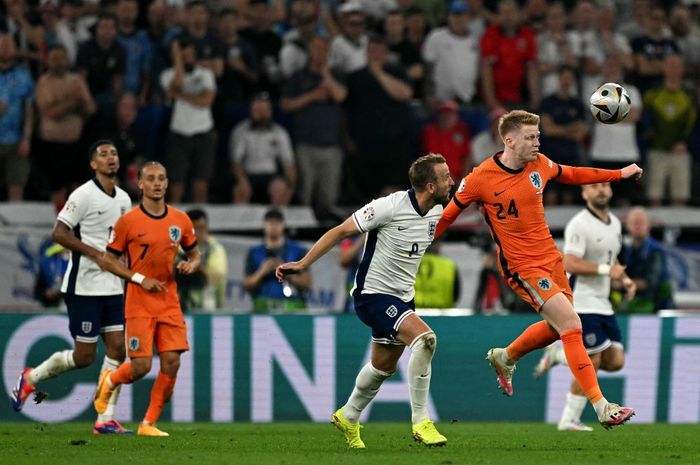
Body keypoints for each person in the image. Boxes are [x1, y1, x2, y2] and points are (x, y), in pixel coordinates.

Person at [435, 110, 641, 429]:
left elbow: (572, 173)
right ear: (510, 140)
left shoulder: (540, 164)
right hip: (522, 267)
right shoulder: (480, 178)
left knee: (559, 327)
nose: (537, 142)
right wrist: (419, 244)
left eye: (538, 136)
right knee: (572, 324)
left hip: (551, 259)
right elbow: (448, 216)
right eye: (531, 137)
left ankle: (506, 356)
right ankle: (602, 407)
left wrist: (617, 174)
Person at [276, 154, 454, 448]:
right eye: (446, 176)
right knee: (426, 340)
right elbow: (341, 230)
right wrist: (304, 263)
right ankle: (421, 421)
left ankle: (349, 415)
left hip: (403, 298)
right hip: (372, 295)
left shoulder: (436, 210)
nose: (452, 181)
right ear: (431, 186)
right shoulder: (389, 206)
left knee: (383, 366)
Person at [10, 141, 133, 435]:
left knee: (118, 348)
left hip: (113, 285)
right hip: (84, 286)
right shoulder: (83, 195)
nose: (110, 158)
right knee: (84, 357)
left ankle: (105, 419)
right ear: (93, 164)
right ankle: (31, 378)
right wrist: (94, 253)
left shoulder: (126, 199)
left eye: (113, 154)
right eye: (103, 154)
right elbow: (59, 233)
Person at [94, 161, 201, 437]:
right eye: (151, 178)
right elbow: (108, 259)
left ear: (167, 183)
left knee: (172, 362)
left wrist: (192, 264)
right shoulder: (129, 221)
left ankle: (148, 424)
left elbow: (194, 253)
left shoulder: (181, 220)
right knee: (142, 367)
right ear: (140, 184)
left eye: (162, 178)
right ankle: (110, 381)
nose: (157, 183)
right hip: (139, 301)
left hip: (169, 301)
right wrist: (139, 279)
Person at [533, 182, 637, 432]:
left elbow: (610, 259)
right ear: (585, 194)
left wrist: (622, 278)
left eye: (605, 186)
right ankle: (569, 420)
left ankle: (558, 354)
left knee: (616, 361)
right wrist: (606, 271)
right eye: (595, 187)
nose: (601, 190)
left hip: (603, 303)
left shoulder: (614, 223)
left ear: (611, 191)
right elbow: (569, 262)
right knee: (593, 361)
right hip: (581, 301)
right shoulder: (579, 224)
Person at [160, 38, 217, 203]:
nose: (189, 57)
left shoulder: (206, 74)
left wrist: (180, 96)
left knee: (201, 184)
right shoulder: (167, 75)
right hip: (179, 132)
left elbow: (206, 100)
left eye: (192, 54)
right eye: (185, 55)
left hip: (203, 132)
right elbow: (176, 84)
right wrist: (177, 59)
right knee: (176, 185)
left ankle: (201, 224)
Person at [244, 208, 310, 312]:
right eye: (270, 223)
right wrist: (262, 271)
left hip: (292, 305)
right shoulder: (254, 252)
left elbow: (307, 284)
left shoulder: (298, 250)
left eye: (277, 223)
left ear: (283, 225)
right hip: (263, 305)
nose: (273, 227)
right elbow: (247, 285)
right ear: (264, 225)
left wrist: (286, 272)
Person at [619, 207, 675, 313]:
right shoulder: (626, 249)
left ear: (649, 225)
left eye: (641, 223)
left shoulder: (656, 250)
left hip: (658, 307)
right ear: (627, 225)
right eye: (634, 222)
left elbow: (650, 283)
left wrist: (621, 284)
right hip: (634, 302)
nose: (637, 226)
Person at [0, 33, 33, 201]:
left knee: (16, 186)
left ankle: (14, 227)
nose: (5, 48)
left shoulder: (24, 76)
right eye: (2, 44)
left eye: (9, 45)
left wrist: (26, 138)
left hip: (15, 140)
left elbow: (28, 110)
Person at [176, 208, 228, 312]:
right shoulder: (176, 249)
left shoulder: (216, 249)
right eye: (193, 229)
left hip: (208, 305)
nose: (197, 233)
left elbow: (216, 278)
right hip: (180, 305)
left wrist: (195, 264)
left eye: (201, 228)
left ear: (207, 228)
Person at [414, 241, 460, 309]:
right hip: (441, 315)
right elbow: (456, 295)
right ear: (438, 245)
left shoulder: (406, 264)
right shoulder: (449, 266)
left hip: (409, 314)